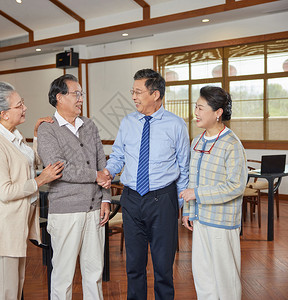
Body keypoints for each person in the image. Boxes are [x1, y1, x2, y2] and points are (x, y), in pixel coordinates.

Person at [104, 68, 190, 300]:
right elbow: (118, 156)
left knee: (163, 267)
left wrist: (181, 205)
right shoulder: (128, 122)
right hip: (131, 199)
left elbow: (184, 167)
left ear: (155, 95)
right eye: (133, 91)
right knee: (134, 266)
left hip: (163, 200)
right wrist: (108, 172)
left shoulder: (176, 125)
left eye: (138, 92)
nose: (133, 96)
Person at [0, 81, 64, 300]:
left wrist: (37, 134)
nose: (25, 108)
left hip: (17, 223)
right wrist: (40, 180)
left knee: (17, 287)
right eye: (19, 105)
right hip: (4, 225)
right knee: (7, 291)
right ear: (4, 113)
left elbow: (31, 160)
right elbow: (6, 191)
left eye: (23, 103)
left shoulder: (13, 134)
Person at [36, 74, 111, 300]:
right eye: (76, 94)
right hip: (66, 211)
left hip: (95, 209)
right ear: (59, 97)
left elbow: (102, 164)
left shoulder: (89, 125)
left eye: (81, 94)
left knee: (94, 273)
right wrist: (95, 176)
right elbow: (59, 169)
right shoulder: (47, 129)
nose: (80, 99)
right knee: (63, 275)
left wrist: (106, 198)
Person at [180, 86, 247, 300]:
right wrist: (188, 211)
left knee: (225, 279)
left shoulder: (231, 144)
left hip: (222, 222)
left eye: (201, 108)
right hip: (200, 220)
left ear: (218, 112)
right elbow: (192, 179)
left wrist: (197, 194)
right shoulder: (197, 141)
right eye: (196, 107)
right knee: (203, 276)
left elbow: (235, 185)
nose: (196, 113)